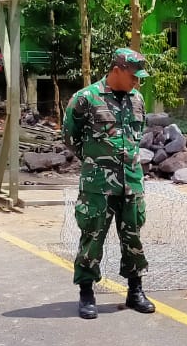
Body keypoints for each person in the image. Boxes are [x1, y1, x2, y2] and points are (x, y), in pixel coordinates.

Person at [62, 48, 157, 321]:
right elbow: (70, 136)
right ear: (117, 70)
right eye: (133, 76)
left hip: (132, 182)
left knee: (133, 237)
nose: (137, 82)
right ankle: (86, 293)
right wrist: (95, 161)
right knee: (92, 237)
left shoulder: (137, 99)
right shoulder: (86, 98)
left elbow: (136, 135)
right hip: (98, 184)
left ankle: (135, 291)